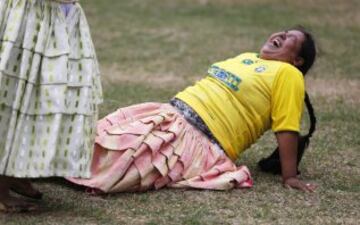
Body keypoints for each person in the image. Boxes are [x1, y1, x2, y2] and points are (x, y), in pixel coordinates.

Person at [68, 26, 318, 194]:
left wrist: (289, 176)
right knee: (103, 135)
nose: (281, 36)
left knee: (122, 160)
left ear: (297, 60)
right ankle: (48, 164)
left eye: (290, 40)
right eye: (283, 33)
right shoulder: (248, 57)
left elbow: (286, 127)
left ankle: (61, 171)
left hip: (198, 138)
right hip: (169, 114)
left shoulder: (289, 74)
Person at [0, 0, 102, 212]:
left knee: (46, 99)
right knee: (14, 97)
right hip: (27, 16)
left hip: (61, 15)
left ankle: (13, 172)